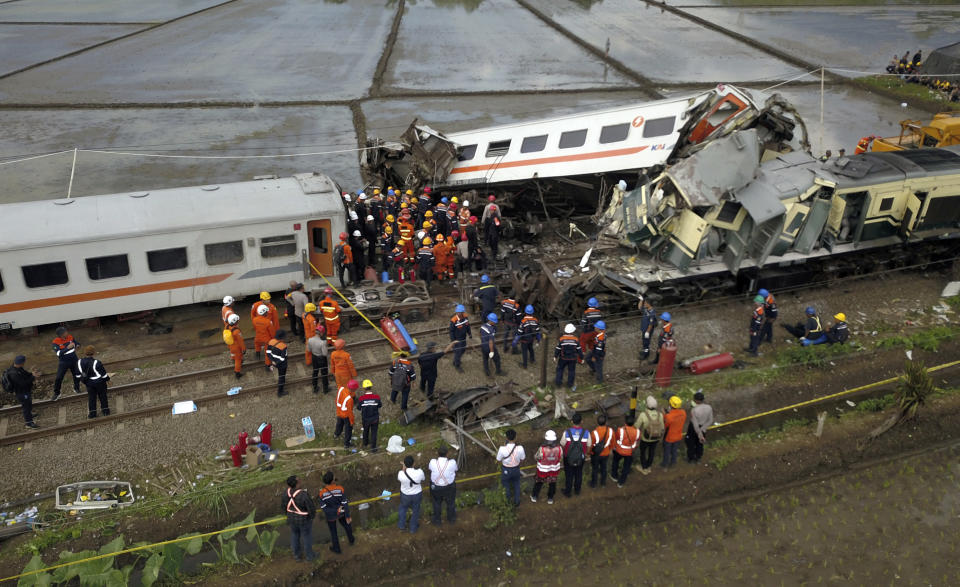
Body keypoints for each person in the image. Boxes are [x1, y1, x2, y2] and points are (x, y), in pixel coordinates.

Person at [317, 471, 355, 554]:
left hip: (330, 515)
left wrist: (333, 511)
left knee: (333, 532)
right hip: (341, 511)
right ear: (332, 481)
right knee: (347, 526)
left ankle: (337, 549)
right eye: (334, 477)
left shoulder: (321, 493)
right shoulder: (340, 489)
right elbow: (345, 503)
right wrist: (347, 515)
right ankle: (351, 540)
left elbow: (324, 508)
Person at [282, 475, 316, 562]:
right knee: (306, 537)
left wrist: (288, 515)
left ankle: (297, 555)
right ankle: (310, 556)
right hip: (304, 520)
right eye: (299, 480)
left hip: (292, 519)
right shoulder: (303, 495)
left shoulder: (286, 493)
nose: (301, 481)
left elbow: (283, 506)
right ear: (296, 484)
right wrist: (312, 517)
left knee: (294, 535)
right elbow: (311, 507)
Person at [4, 355, 39, 428]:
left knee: (29, 403)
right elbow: (23, 384)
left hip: (25, 391)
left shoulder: (18, 368)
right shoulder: (14, 374)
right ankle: (29, 423)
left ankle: (30, 414)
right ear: (21, 363)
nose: (24, 364)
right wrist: (33, 377)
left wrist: (32, 374)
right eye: (23, 362)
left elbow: (26, 374)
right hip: (22, 393)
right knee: (26, 407)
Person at [561, 414, 590, 497]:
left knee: (569, 474)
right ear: (581, 421)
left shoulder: (567, 432)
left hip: (568, 457)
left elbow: (562, 444)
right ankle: (577, 491)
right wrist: (585, 454)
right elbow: (589, 445)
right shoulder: (586, 433)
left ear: (571, 421)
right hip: (581, 457)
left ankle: (568, 492)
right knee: (579, 473)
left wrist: (566, 452)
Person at [429, 445, 458, 524]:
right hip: (449, 487)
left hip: (436, 487)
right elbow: (456, 469)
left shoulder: (432, 462)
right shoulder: (452, 462)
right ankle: (451, 519)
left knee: (436, 503)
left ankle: (437, 520)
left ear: (437, 454)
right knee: (450, 503)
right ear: (447, 454)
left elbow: (430, 468)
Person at [531, 430, 562, 504]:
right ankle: (550, 499)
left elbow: (536, 457)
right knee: (552, 484)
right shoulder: (559, 448)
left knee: (539, 483)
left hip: (542, 470)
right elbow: (561, 458)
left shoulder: (542, 449)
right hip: (554, 470)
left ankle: (534, 497)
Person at [496, 429, 526, 506]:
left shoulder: (502, 448)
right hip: (516, 469)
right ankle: (517, 502)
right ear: (515, 437)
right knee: (516, 484)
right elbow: (522, 459)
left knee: (506, 485)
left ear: (506, 438)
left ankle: (508, 502)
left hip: (506, 469)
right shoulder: (520, 448)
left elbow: (498, 460)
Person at [79, 347, 110, 419]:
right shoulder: (97, 362)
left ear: (85, 353)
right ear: (93, 353)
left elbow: (79, 373)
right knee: (103, 396)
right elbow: (104, 374)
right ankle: (105, 411)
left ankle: (92, 414)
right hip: (99, 382)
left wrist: (84, 381)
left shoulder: (80, 362)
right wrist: (108, 380)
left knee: (92, 398)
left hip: (89, 383)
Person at [51, 326, 82, 400]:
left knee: (77, 374)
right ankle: (57, 393)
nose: (67, 333)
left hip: (74, 359)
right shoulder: (55, 342)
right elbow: (58, 353)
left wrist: (78, 345)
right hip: (64, 362)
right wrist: (67, 348)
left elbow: (76, 342)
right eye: (65, 332)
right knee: (59, 377)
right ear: (61, 335)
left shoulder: (70, 337)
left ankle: (76, 388)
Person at [637, 396, 665, 475]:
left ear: (646, 405)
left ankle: (644, 468)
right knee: (652, 452)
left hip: (645, 439)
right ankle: (649, 466)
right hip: (655, 438)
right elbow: (662, 428)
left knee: (643, 452)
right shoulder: (660, 415)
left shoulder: (643, 414)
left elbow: (636, 426)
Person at [398, 455, 425, 534]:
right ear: (414, 464)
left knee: (403, 509)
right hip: (417, 495)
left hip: (405, 496)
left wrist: (404, 468)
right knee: (415, 510)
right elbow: (423, 479)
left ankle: (401, 525)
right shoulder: (420, 472)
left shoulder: (400, 474)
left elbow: (401, 477)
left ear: (404, 465)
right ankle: (413, 529)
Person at [611, 415, 639, 488]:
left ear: (625, 423)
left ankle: (614, 476)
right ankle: (621, 482)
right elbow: (636, 441)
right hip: (629, 452)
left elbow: (616, 438)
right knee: (626, 467)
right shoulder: (637, 431)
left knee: (615, 462)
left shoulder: (620, 430)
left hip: (619, 450)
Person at [686, 391, 714, 464]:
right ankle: (698, 457)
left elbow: (695, 424)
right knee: (700, 443)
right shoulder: (709, 407)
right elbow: (710, 420)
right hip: (703, 426)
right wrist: (703, 429)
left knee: (691, 442)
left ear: (696, 400)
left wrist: (699, 433)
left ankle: (691, 458)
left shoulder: (694, 410)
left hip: (694, 428)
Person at [554, 324, 583, 388]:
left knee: (560, 369)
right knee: (571, 371)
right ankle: (570, 384)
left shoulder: (561, 339)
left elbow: (558, 349)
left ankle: (558, 383)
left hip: (563, 358)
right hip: (573, 359)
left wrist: (555, 356)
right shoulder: (576, 340)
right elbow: (579, 350)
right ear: (572, 331)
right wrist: (582, 358)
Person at [661, 395, 686, 468]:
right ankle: (673, 462)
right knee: (674, 450)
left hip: (669, 437)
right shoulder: (683, 412)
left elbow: (665, 425)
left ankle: (665, 464)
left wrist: (664, 414)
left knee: (667, 451)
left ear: (670, 405)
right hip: (678, 436)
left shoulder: (669, 416)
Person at [589, 414, 614, 488]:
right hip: (606, 453)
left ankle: (594, 484)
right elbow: (612, 442)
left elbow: (591, 445)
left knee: (595, 469)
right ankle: (603, 483)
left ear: (597, 423)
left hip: (596, 454)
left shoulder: (594, 433)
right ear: (606, 422)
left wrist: (590, 452)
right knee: (604, 468)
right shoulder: (610, 431)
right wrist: (610, 450)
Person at [358, 380, 382, 452]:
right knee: (374, 432)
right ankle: (373, 448)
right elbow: (380, 405)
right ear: (371, 387)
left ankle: (365, 443)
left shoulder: (361, 398)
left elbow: (359, 408)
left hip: (365, 419)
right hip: (375, 419)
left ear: (364, 388)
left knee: (365, 430)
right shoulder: (377, 397)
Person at [334, 379, 358, 447]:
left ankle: (336, 434)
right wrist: (352, 421)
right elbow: (350, 412)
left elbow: (336, 400)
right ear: (353, 390)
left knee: (339, 423)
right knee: (348, 429)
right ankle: (347, 443)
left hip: (339, 412)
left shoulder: (340, 389)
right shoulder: (350, 399)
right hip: (346, 415)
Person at [448, 304, 472, 372]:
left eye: (460, 312)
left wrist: (469, 333)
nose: (458, 313)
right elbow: (451, 331)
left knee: (462, 350)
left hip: (463, 338)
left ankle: (455, 360)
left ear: (462, 312)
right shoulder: (454, 320)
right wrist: (453, 341)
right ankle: (457, 365)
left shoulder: (465, 317)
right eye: (457, 312)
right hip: (457, 340)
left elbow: (468, 326)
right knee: (458, 352)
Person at [307, 326, 330, 394]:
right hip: (321, 358)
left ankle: (315, 387)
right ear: (321, 333)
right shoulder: (322, 342)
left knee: (315, 372)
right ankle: (325, 389)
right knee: (324, 373)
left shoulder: (310, 340)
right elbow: (325, 353)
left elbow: (309, 350)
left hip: (314, 357)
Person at [266, 330, 289, 396]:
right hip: (282, 364)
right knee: (282, 377)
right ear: (282, 338)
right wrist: (277, 362)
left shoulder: (271, 341)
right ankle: (280, 392)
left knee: (280, 375)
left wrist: (272, 360)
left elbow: (268, 352)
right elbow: (283, 358)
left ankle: (280, 382)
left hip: (274, 362)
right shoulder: (283, 346)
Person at [225, 314, 246, 379]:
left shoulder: (227, 326)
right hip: (236, 347)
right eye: (237, 320)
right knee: (238, 360)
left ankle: (233, 358)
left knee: (233, 354)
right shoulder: (236, 331)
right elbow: (240, 341)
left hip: (230, 345)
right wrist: (243, 349)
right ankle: (237, 372)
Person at [639, 296, 656, 362]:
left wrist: (647, 332)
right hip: (644, 329)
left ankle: (646, 354)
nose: (644, 304)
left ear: (649, 304)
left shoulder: (652, 313)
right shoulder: (646, 309)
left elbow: (651, 324)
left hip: (647, 331)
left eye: (645, 303)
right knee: (644, 341)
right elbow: (640, 307)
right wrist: (641, 300)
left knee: (646, 342)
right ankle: (644, 351)